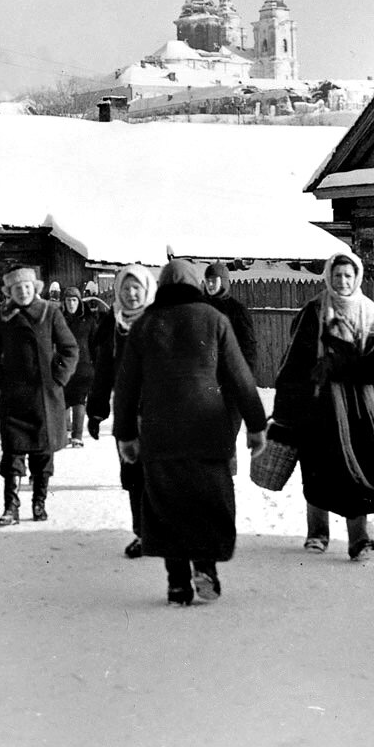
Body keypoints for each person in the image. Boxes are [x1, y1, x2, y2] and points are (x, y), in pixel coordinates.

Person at [113, 259, 266, 605]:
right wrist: (255, 425)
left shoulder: (146, 325)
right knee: (206, 502)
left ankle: (178, 583)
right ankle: (207, 569)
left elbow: (126, 387)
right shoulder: (215, 320)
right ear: (196, 285)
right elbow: (240, 377)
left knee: (169, 506)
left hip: (160, 432)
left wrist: (125, 434)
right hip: (208, 430)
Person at [267, 250, 374, 561]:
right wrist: (286, 410)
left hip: (360, 411)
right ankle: (317, 533)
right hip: (320, 407)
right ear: (328, 277)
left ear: (357, 278)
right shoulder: (312, 312)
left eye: (347, 276)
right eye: (336, 275)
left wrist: (343, 367)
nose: (342, 281)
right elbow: (294, 363)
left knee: (359, 469)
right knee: (317, 469)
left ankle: (359, 538)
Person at [0, 264, 79, 526]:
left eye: (26, 287)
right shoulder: (0, 317)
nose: (22, 292)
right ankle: (10, 507)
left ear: (34, 288)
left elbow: (70, 349)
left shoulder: (50, 312)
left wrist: (57, 378)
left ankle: (39, 503)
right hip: (13, 397)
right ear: (10, 291)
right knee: (12, 453)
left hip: (45, 397)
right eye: (17, 288)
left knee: (42, 452)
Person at [86, 263, 157, 557]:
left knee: (159, 474)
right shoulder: (111, 325)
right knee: (132, 475)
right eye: (125, 288)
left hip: (160, 412)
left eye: (136, 288)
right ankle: (142, 534)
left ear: (147, 290)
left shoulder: (160, 320)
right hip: (127, 413)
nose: (130, 294)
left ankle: (161, 532)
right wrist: (97, 410)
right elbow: (103, 370)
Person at [203, 261, 260, 383]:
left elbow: (248, 347)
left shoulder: (237, 311)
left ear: (223, 281)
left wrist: (245, 379)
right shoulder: (200, 307)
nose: (210, 284)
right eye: (208, 281)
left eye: (214, 280)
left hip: (228, 377)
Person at [60, 286, 103, 448]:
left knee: (79, 400)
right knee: (62, 400)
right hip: (62, 365)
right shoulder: (58, 319)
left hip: (83, 367)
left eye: (74, 300)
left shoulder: (89, 320)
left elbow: (95, 345)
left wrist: (97, 365)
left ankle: (77, 436)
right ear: (64, 302)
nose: (71, 304)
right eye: (68, 300)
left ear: (79, 302)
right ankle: (64, 433)